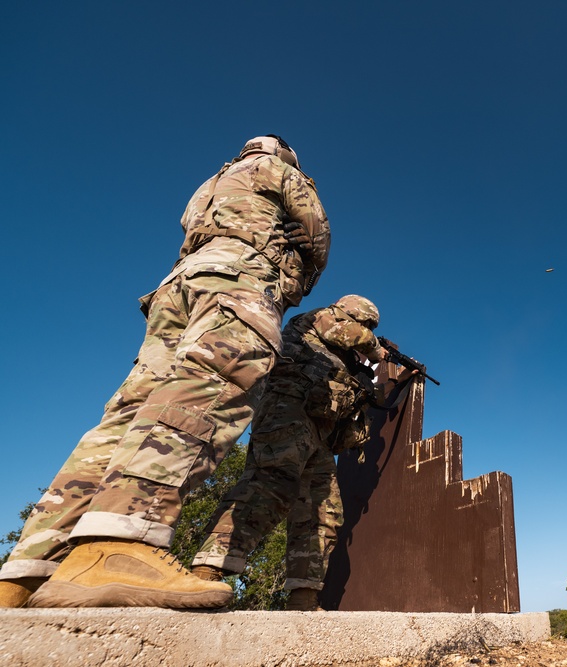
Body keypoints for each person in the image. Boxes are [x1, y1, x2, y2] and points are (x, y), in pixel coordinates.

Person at [0, 135, 330, 609]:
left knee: (130, 413)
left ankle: (29, 571)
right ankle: (120, 544)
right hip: (238, 277)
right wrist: (305, 264)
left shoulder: (210, 183)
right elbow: (318, 233)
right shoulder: (279, 170)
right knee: (213, 385)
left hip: (179, 285)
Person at [190, 295, 406, 611]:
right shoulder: (322, 318)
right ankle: (207, 572)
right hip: (287, 411)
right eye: (366, 324)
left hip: (318, 433)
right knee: (270, 484)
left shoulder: (343, 359)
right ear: (353, 314)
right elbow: (347, 332)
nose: (366, 330)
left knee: (323, 511)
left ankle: (304, 596)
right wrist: (378, 351)